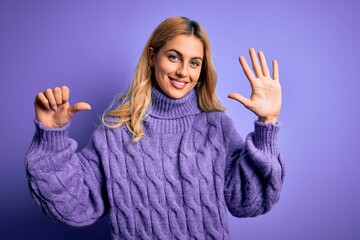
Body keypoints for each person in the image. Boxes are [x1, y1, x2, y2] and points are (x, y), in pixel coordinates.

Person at [26, 16, 285, 239]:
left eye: (194, 62)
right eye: (174, 57)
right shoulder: (115, 131)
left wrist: (267, 123)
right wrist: (52, 138)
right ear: (152, 57)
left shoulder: (216, 127)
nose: (183, 71)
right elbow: (74, 206)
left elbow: (248, 203)